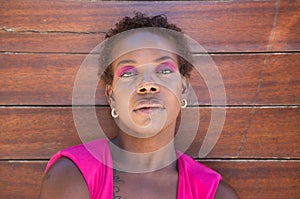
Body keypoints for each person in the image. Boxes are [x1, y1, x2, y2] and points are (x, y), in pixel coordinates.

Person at [39, 12, 239, 199]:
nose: (147, 85)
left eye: (164, 70)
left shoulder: (213, 193)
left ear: (184, 88)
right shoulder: (74, 174)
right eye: (128, 73)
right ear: (112, 96)